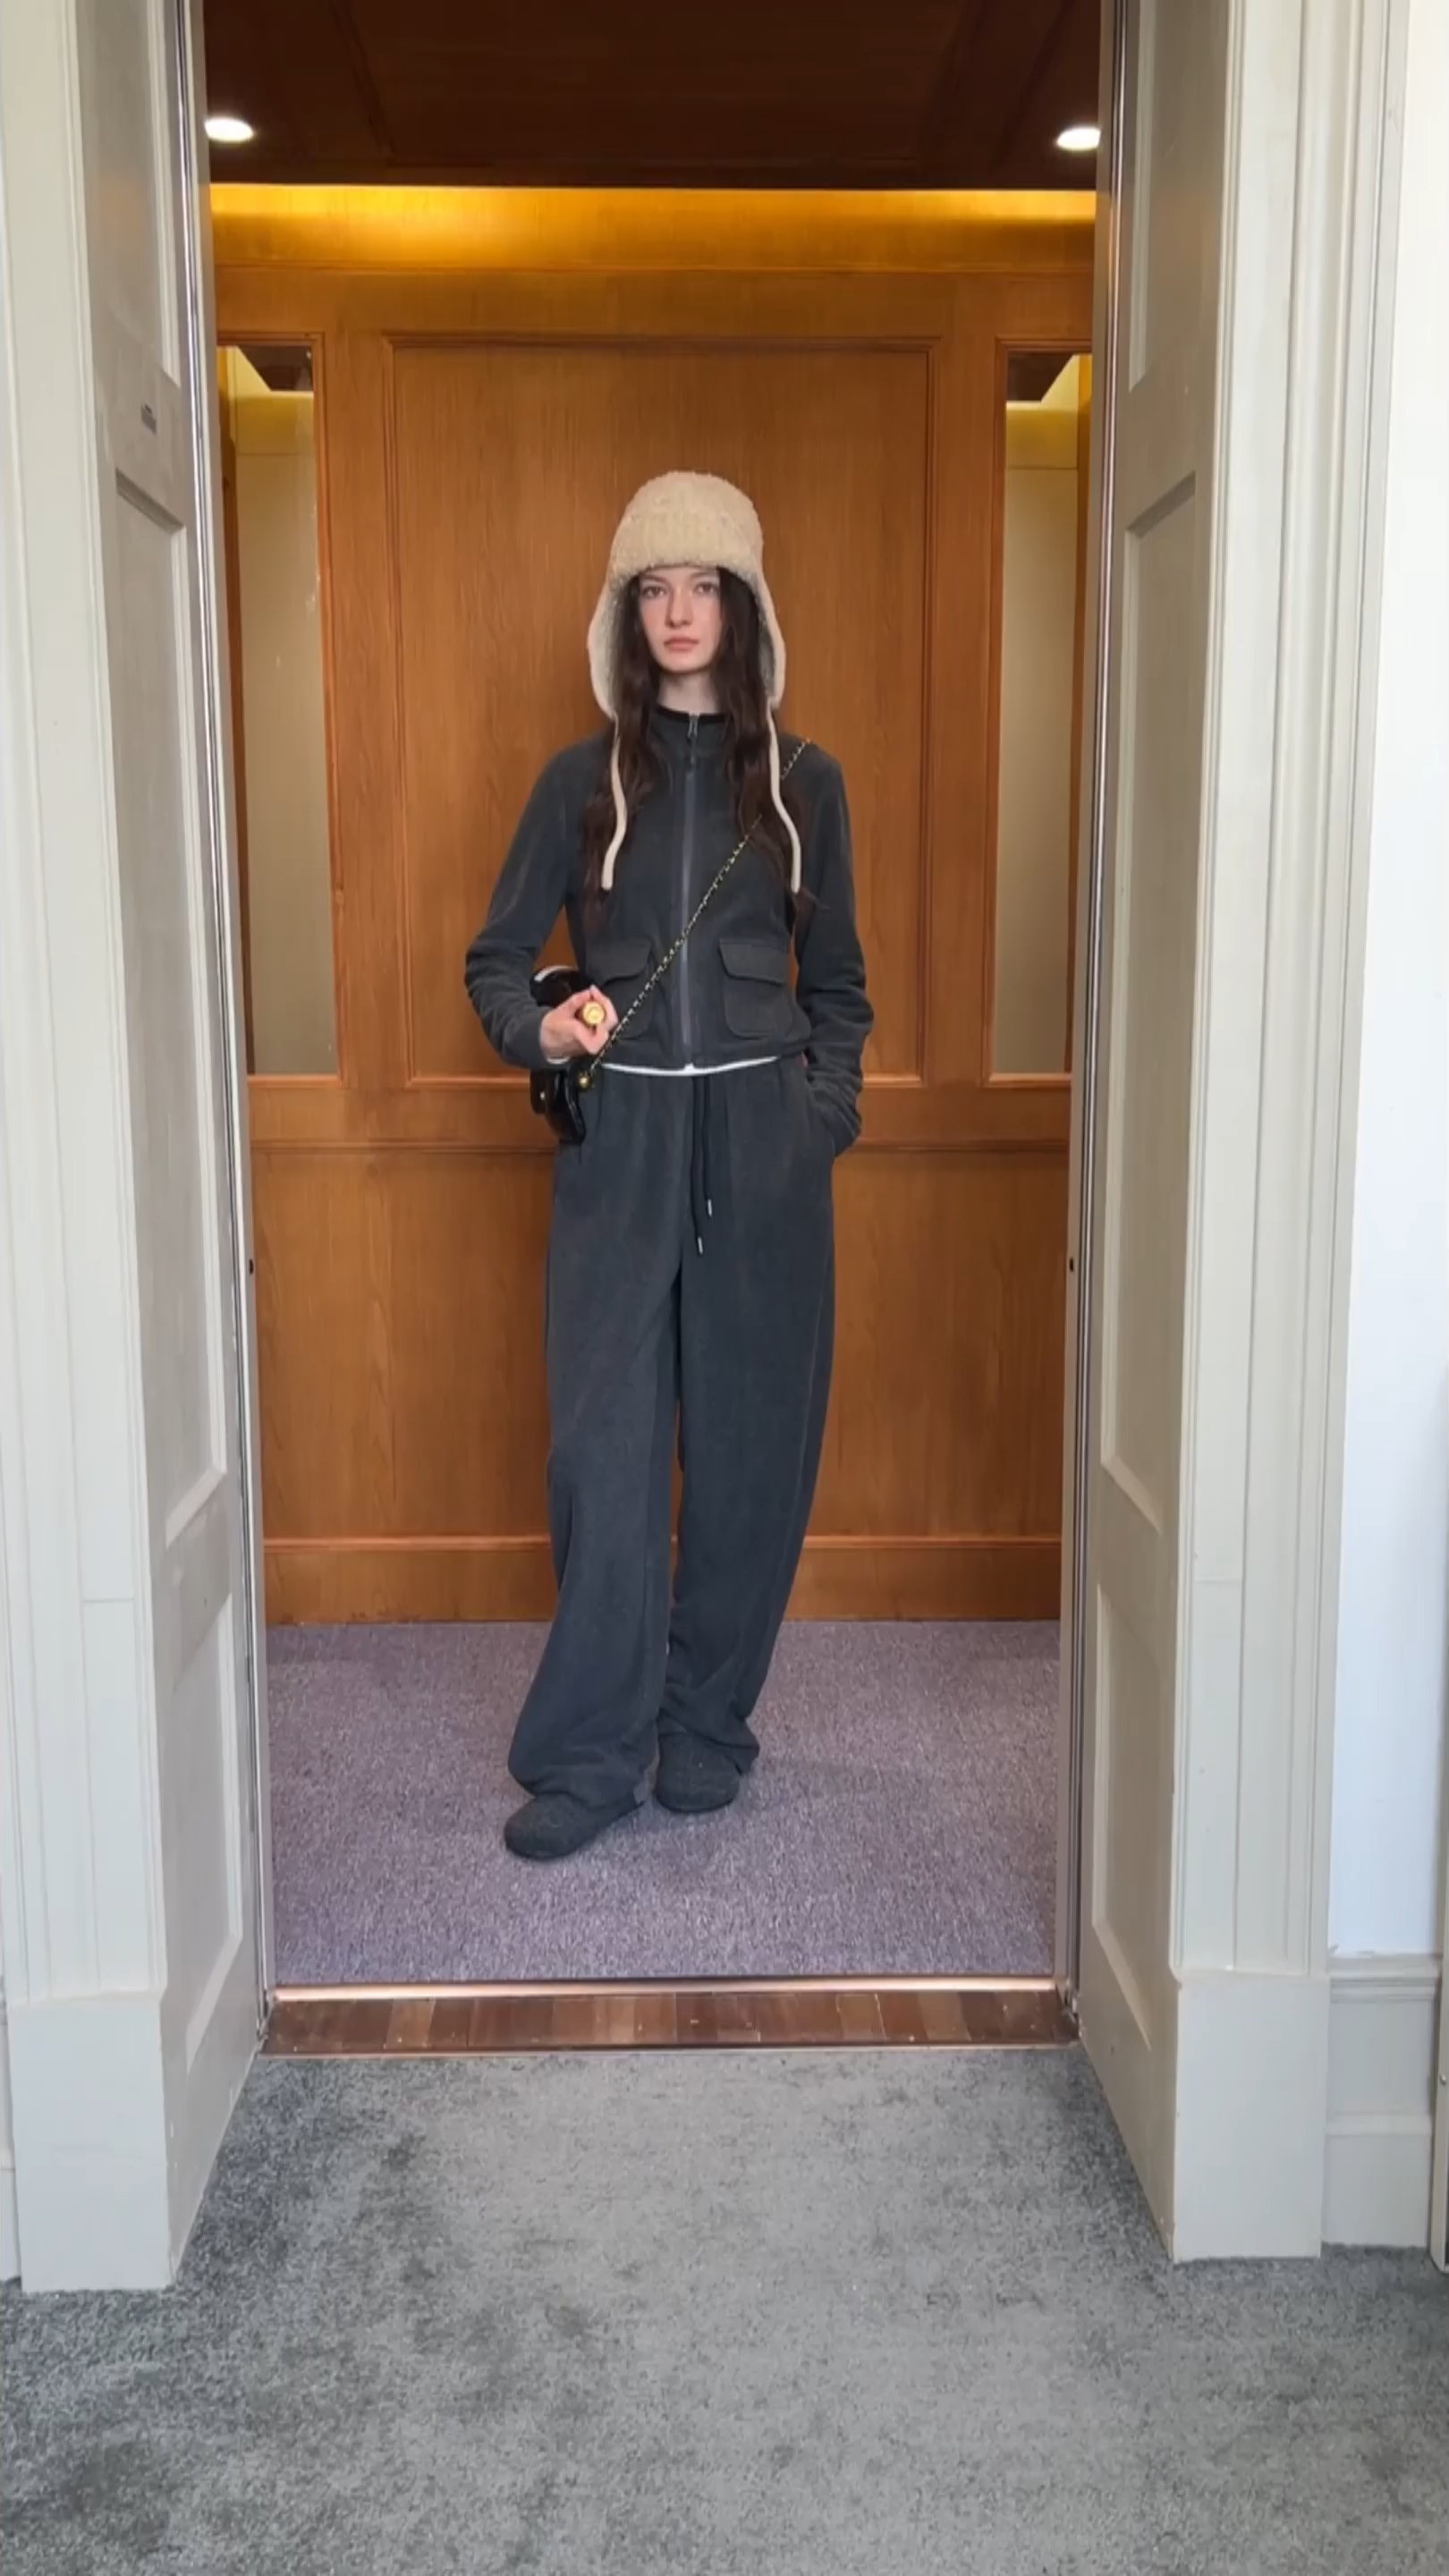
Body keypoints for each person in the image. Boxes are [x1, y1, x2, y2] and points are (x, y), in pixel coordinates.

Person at [464, 470, 872, 1860]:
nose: (681, 612)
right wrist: (540, 1027)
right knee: (605, 1458)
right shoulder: (575, 786)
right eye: (656, 589)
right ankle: (588, 1755)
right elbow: (494, 961)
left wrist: (818, 1118)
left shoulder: (806, 786)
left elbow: (842, 991)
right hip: (623, 1149)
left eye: (705, 587)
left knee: (753, 1457)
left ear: (744, 610)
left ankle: (705, 1724)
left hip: (763, 1154)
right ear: (626, 615)